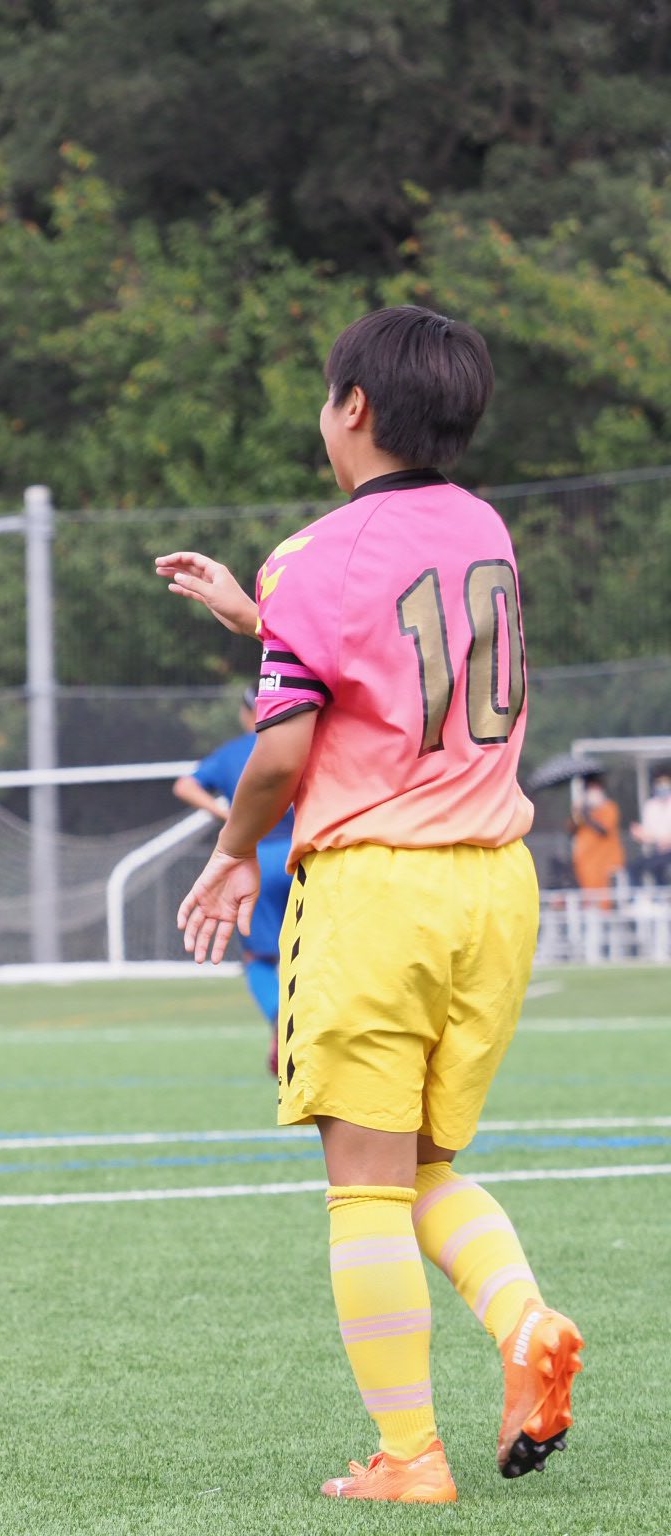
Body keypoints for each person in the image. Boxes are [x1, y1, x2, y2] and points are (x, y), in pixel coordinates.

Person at [160, 305, 581, 1505]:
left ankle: (408, 1458)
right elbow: (406, 663)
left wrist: (235, 853)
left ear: (351, 407)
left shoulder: (313, 553)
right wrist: (259, 620)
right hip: (493, 891)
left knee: (359, 1185)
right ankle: (523, 1323)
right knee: (421, 1168)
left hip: (375, 889)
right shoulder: (484, 528)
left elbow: (284, 753)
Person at [173, 695, 295, 1074]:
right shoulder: (300, 743)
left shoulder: (232, 752)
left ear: (247, 714)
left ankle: (280, 1016)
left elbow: (184, 785)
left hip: (256, 860)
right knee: (312, 949)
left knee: (258, 956)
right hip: (306, 856)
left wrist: (221, 810)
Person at [569, 773, 624, 905]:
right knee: (588, 893)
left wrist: (588, 815)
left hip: (605, 860)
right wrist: (580, 812)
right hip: (585, 860)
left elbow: (604, 830)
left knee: (605, 893)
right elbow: (572, 829)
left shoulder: (609, 807)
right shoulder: (582, 810)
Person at [631, 770, 671, 884]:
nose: (663, 787)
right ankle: (639, 899)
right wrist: (639, 834)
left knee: (659, 866)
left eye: (666, 783)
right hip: (658, 851)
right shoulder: (650, 806)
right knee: (635, 868)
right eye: (660, 783)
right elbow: (647, 835)